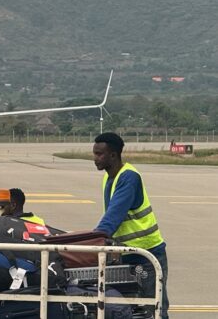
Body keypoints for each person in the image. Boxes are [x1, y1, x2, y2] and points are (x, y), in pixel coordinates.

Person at [92, 132, 169, 318]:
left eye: (99, 154)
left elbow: (113, 217)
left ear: (113, 155)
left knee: (153, 309)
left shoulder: (128, 178)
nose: (94, 158)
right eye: (94, 153)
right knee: (131, 307)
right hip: (129, 253)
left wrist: (92, 240)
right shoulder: (110, 177)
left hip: (147, 255)